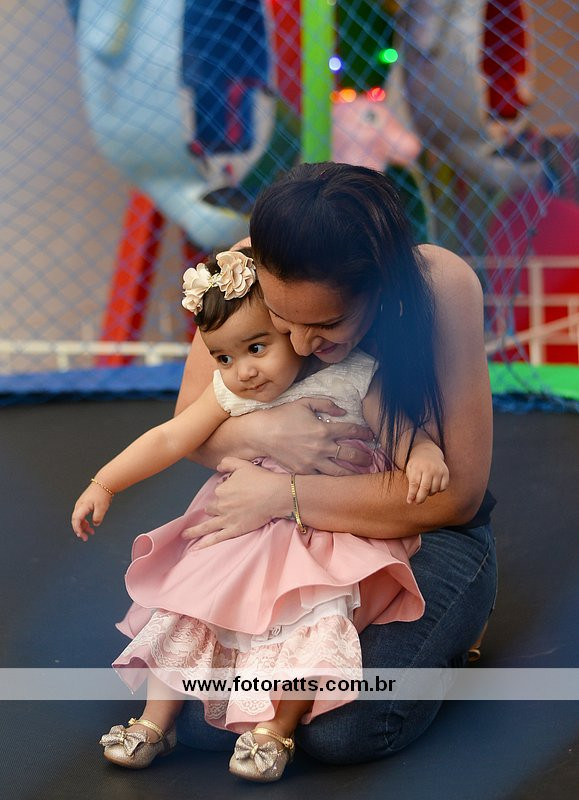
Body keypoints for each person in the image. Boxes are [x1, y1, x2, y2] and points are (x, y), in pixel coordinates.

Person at [72, 248, 449, 781]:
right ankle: (155, 721)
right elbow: (171, 437)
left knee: (310, 619)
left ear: (288, 329)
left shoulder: (354, 376)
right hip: (241, 529)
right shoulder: (231, 393)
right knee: (188, 607)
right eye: (224, 358)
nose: (243, 371)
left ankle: (277, 729)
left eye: (256, 348)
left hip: (320, 529)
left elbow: (400, 430)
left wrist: (424, 454)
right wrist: (104, 481)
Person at [174, 163, 498, 764]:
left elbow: (457, 497)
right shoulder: (241, 267)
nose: (299, 346)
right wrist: (266, 429)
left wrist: (285, 494)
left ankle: (455, 631)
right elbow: (191, 431)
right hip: (285, 539)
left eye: (326, 324)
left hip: (421, 533)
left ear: (381, 287)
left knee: (342, 729)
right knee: (198, 710)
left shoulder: (440, 287)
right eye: (281, 320)